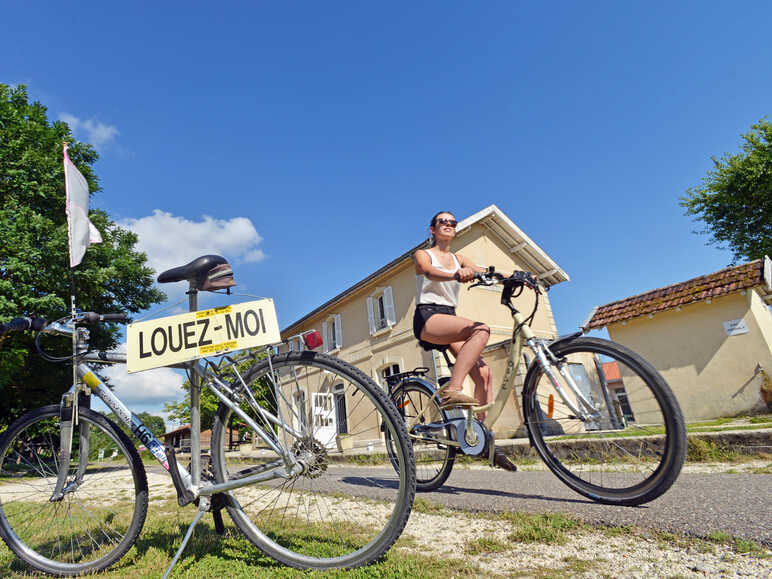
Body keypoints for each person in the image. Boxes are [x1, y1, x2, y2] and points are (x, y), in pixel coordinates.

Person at [413, 210, 518, 471]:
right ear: (432, 229)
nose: (448, 225)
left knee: (484, 376)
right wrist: (455, 275)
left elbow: (488, 272)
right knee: (481, 330)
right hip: (428, 316)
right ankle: (452, 390)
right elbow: (427, 271)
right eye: (442, 222)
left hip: (449, 316)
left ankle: (482, 439)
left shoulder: (459, 258)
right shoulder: (424, 254)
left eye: (452, 222)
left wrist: (519, 276)